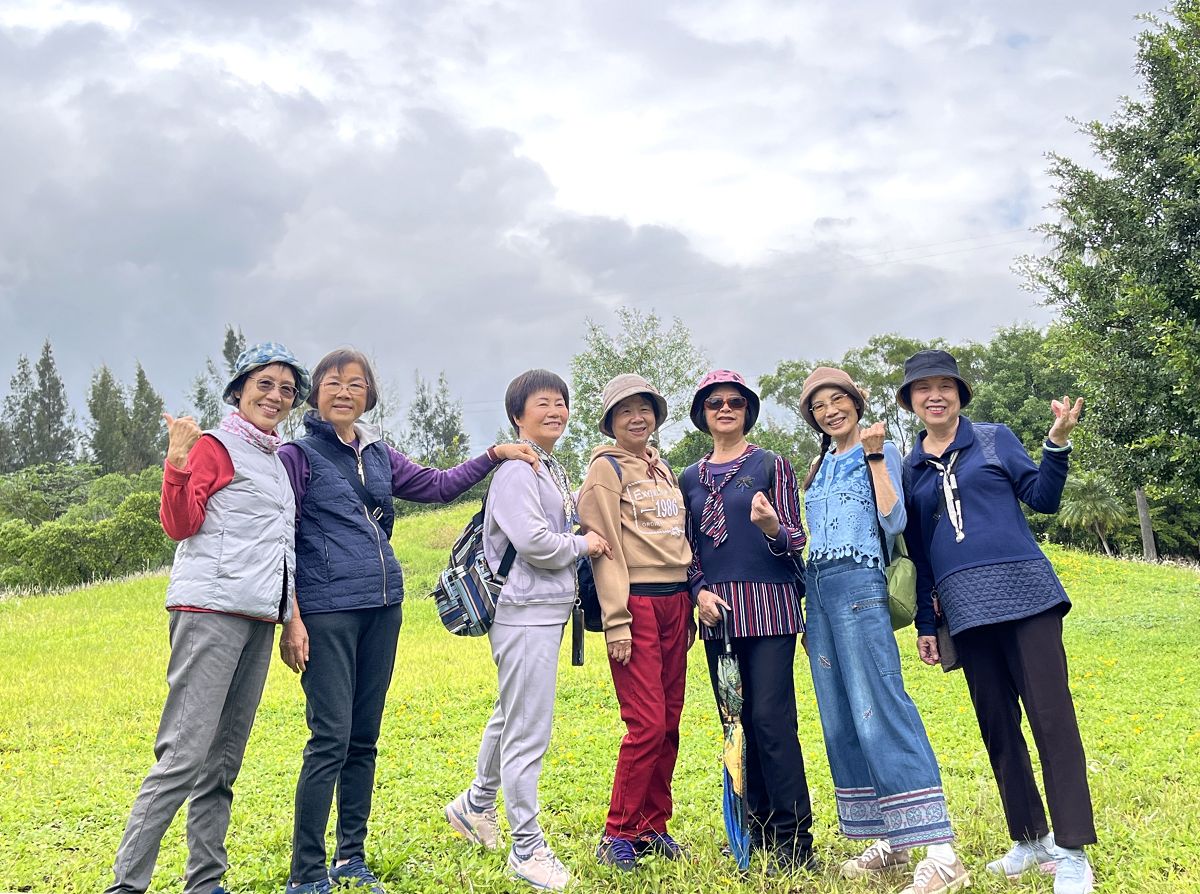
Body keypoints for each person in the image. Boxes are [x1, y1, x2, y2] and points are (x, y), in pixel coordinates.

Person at [278, 349, 538, 894]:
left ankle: (351, 858)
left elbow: (439, 485)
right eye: (333, 382)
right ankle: (306, 873)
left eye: (356, 383)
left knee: (364, 738)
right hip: (326, 612)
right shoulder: (295, 457)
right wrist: (292, 617)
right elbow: (282, 541)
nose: (344, 391)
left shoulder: (376, 454)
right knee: (329, 737)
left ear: (369, 394)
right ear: (316, 394)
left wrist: (493, 454)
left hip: (383, 607)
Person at [106, 343, 311, 894]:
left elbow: (282, 549)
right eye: (265, 384)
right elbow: (179, 524)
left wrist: (290, 618)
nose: (275, 396)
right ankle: (127, 884)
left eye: (286, 389)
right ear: (240, 389)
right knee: (183, 754)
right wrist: (176, 461)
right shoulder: (216, 447)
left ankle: (206, 883)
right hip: (209, 613)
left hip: (258, 619)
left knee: (222, 763)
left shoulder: (274, 460)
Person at [898, 349, 1095, 894]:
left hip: (1027, 595)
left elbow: (1044, 498)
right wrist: (923, 623)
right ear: (910, 401)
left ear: (960, 394)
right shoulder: (910, 467)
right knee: (998, 725)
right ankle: (1029, 839)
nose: (934, 395)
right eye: (922, 388)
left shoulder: (993, 439)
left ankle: (1073, 850)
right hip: (963, 609)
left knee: (1051, 720)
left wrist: (1056, 441)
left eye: (945, 386)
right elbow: (919, 552)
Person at [797, 366, 968, 894]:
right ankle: (894, 837)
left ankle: (940, 851)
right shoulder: (818, 464)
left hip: (861, 586)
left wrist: (873, 456)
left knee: (880, 707)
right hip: (818, 591)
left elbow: (894, 523)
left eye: (837, 399)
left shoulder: (881, 450)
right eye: (819, 405)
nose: (830, 410)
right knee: (842, 715)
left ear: (855, 401)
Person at [444, 369, 611, 893]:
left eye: (561, 402)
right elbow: (536, 543)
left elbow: (551, 529)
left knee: (509, 714)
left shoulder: (547, 467)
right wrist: (585, 545)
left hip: (541, 609)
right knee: (528, 731)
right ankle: (527, 849)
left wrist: (574, 533)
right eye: (543, 402)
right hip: (523, 611)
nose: (556, 410)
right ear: (518, 414)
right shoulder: (517, 471)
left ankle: (474, 805)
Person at [678, 369, 816, 874]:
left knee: (773, 723)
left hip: (772, 609)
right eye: (715, 402)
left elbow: (796, 541)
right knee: (736, 725)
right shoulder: (689, 478)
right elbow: (686, 548)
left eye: (735, 401)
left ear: (747, 410)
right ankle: (753, 828)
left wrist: (772, 525)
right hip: (720, 618)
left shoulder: (771, 464)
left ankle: (795, 839)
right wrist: (698, 592)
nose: (725, 408)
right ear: (703, 414)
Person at [576, 374, 695, 872]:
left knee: (669, 723)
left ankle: (653, 825)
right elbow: (603, 548)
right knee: (644, 724)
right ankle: (618, 831)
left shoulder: (662, 470)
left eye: (644, 408)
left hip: (677, 601)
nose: (637, 418)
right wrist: (617, 619)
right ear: (611, 421)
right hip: (637, 603)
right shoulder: (605, 470)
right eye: (625, 411)